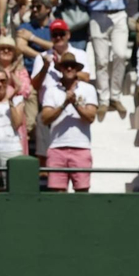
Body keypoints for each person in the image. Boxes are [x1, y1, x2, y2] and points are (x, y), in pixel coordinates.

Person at [78, 0, 132, 117]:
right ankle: (103, 99)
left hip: (118, 14)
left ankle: (115, 96)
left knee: (120, 54)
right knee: (101, 60)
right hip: (98, 14)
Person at [41, 52, 98, 190]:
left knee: (82, 193)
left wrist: (75, 104)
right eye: (66, 66)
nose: (69, 69)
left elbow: (91, 117)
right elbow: (45, 118)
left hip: (81, 147)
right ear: (60, 68)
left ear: (77, 69)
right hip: (57, 148)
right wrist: (64, 104)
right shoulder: (51, 91)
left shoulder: (88, 89)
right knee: (57, 194)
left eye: (72, 66)